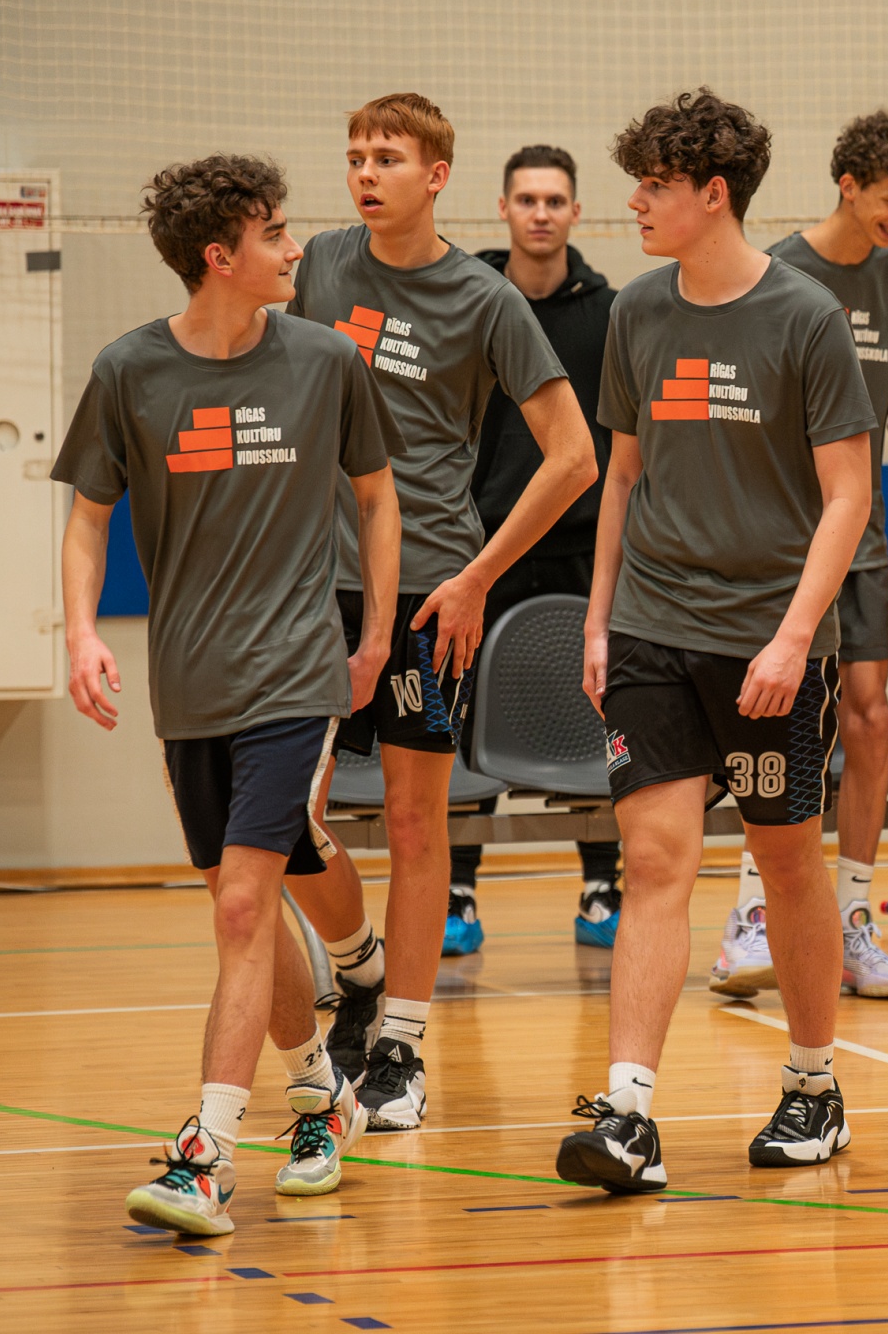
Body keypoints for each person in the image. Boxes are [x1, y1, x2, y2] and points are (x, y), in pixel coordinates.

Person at [55, 155, 402, 1235]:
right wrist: (80, 632)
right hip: (189, 684)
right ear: (221, 256)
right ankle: (321, 1096)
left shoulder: (326, 361)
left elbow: (377, 499)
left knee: (246, 904)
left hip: (295, 672)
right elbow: (87, 517)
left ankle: (205, 1152)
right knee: (237, 904)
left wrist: (374, 636)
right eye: (275, 233)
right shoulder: (128, 371)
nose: (296, 248)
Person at [556, 89, 874, 1194]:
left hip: (767, 641)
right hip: (652, 626)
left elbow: (849, 496)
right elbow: (621, 475)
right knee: (654, 861)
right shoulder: (637, 311)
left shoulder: (807, 319)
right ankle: (629, 1114)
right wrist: (599, 617)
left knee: (786, 860)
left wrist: (794, 637)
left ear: (714, 193)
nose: (636, 203)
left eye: (655, 185)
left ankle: (814, 1085)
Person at [283, 94, 597, 1131]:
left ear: (437, 176)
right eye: (354, 156)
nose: (365, 173)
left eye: (387, 157)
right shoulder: (318, 266)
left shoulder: (485, 299)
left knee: (418, 820)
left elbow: (575, 458)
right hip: (313, 585)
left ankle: (401, 1048)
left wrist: (477, 577)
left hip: (429, 588)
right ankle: (359, 966)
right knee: (285, 818)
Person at [706, 109, 888, 1001]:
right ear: (848, 185)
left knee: (871, 718)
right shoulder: (776, 271)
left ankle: (850, 919)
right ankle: (753, 916)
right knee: (781, 723)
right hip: (785, 539)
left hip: (866, 538)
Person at [441, 144, 625, 955]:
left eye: (555, 200)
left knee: (599, 712)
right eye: (527, 199)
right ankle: (458, 890)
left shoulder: (610, 314)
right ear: (504, 210)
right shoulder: (474, 301)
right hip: (487, 547)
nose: (541, 213)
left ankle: (602, 882)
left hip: (586, 550)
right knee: (464, 715)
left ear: (575, 212)